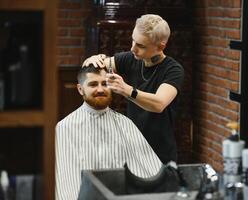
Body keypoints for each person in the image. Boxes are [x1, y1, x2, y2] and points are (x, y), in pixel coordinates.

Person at [82, 14, 184, 164]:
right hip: (131, 152)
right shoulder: (130, 58)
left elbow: (158, 104)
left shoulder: (173, 70)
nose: (133, 48)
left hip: (159, 155)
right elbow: (92, 68)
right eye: (133, 41)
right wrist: (92, 60)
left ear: (160, 46)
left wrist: (126, 90)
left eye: (141, 45)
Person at [55, 66, 162, 200]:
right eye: (93, 84)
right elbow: (66, 181)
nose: (100, 89)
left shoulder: (125, 124)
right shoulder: (65, 128)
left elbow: (150, 171)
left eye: (105, 84)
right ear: (80, 89)